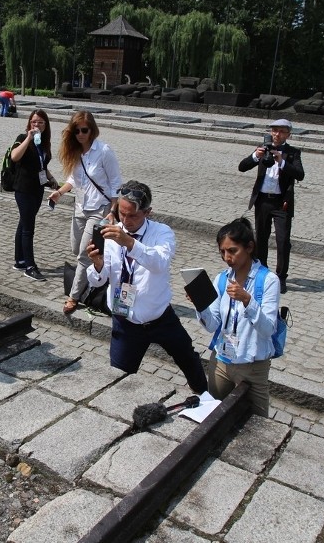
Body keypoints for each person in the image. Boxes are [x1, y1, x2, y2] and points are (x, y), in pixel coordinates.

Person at [86, 181, 208, 394]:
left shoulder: (162, 233)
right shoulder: (110, 234)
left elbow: (159, 262)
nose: (125, 220)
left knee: (189, 358)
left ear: (147, 212)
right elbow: (98, 280)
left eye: (132, 215)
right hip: (126, 320)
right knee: (119, 377)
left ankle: (204, 397)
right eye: (121, 213)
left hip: (160, 316)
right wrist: (97, 265)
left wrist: (130, 243)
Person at [196, 217, 280, 416]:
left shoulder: (268, 281)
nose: (227, 257)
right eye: (222, 252)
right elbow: (212, 325)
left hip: (252, 366)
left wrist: (247, 301)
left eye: (232, 251)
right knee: (213, 415)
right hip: (221, 361)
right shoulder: (222, 279)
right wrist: (201, 305)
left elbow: (268, 329)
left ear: (249, 247)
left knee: (258, 421)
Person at [48, 111, 122, 314]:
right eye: (76, 130)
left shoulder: (104, 151)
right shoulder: (76, 152)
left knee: (83, 254)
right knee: (76, 248)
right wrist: (59, 193)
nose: (80, 134)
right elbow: (73, 180)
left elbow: (116, 184)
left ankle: (73, 297)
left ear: (92, 130)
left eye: (84, 130)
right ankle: (97, 276)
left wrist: (113, 212)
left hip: (100, 209)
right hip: (80, 207)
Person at [238, 118, 305, 294]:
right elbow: (242, 167)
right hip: (263, 201)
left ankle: (281, 276)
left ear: (288, 134)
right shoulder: (263, 147)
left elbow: (300, 174)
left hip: (281, 202)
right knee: (260, 238)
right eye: (274, 130)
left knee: (283, 241)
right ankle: (262, 272)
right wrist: (255, 156)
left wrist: (282, 161)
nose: (277, 134)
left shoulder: (293, 153)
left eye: (282, 131)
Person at [10, 109, 57, 281]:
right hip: (24, 189)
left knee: (23, 223)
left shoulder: (43, 143)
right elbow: (15, 157)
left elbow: (42, 165)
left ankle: (20, 260)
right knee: (29, 228)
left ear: (46, 125)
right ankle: (30, 266)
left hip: (38, 189)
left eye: (40, 122)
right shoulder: (22, 138)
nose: (36, 125)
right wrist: (28, 137)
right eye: (33, 122)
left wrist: (52, 179)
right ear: (29, 123)